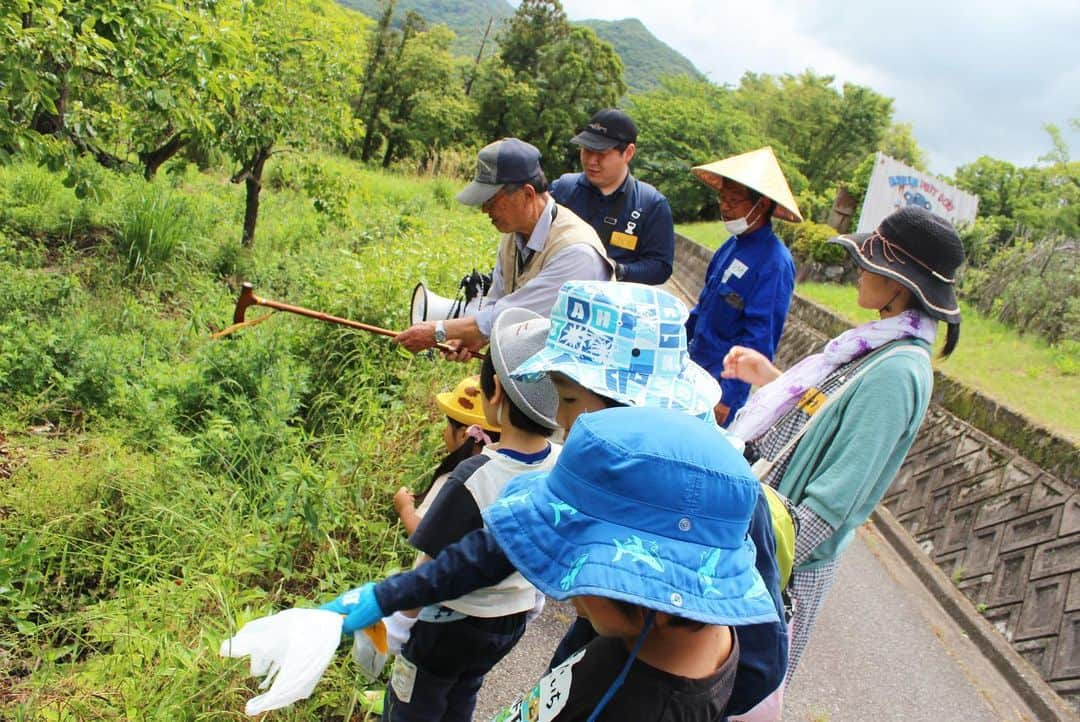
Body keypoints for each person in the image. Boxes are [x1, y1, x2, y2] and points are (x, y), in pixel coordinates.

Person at [326, 281, 790, 720]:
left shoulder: (717, 492)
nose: (558, 420)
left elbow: (759, 659)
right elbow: (504, 542)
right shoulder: (597, 468)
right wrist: (386, 596)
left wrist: (659, 678)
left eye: (566, 399)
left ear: (626, 406)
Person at [332, 407, 780, 721]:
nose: (561, 592)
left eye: (575, 564)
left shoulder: (637, 704)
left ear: (650, 593)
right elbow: (494, 553)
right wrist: (385, 596)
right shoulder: (658, 640)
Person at [721, 206, 965, 680]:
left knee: (739, 689)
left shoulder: (898, 372)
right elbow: (828, 419)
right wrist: (770, 378)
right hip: (773, 543)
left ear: (899, 283)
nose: (859, 271)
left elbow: (831, 505)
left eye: (870, 263)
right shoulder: (880, 345)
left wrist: (749, 558)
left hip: (783, 566)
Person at [335, 307, 562, 722]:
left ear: (493, 394)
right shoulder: (563, 463)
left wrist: (400, 629)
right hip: (509, 622)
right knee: (464, 690)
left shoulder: (474, 475)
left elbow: (433, 563)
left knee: (414, 702)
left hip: (450, 623)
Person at [394, 138, 612, 361]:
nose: (483, 209)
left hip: (574, 386)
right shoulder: (513, 235)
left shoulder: (576, 253)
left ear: (527, 194)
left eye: (491, 200)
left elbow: (513, 315)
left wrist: (439, 331)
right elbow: (495, 301)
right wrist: (476, 337)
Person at [685, 147, 802, 427]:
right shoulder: (731, 246)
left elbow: (759, 339)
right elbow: (702, 309)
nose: (725, 207)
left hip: (720, 387)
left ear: (760, 205)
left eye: (734, 200)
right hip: (693, 369)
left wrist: (727, 398)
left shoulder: (774, 264)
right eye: (723, 198)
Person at [549, 109, 675, 285]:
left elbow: (660, 267)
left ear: (629, 153)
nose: (592, 161)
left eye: (601, 154)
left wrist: (617, 270)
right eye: (587, 150)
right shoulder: (562, 190)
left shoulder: (651, 204)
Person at [392, 375, 500, 536]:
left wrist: (405, 508)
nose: (446, 430)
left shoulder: (453, 480)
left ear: (464, 434)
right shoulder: (501, 473)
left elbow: (422, 532)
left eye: (448, 424)